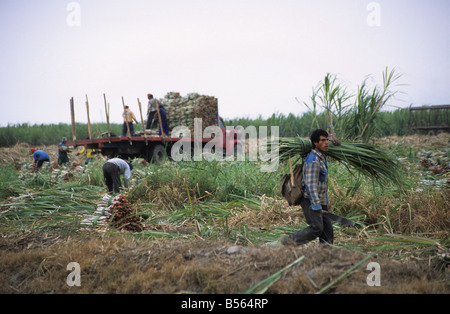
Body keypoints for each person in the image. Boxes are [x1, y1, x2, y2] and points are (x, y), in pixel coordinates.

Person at [282, 129, 333, 246]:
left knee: (327, 231)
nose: (326, 143)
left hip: (321, 199)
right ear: (315, 143)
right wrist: (316, 205)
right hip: (311, 200)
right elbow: (310, 185)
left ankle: (326, 255)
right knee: (317, 228)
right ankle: (288, 242)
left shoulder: (322, 157)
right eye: (323, 140)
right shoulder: (313, 160)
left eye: (327, 140)